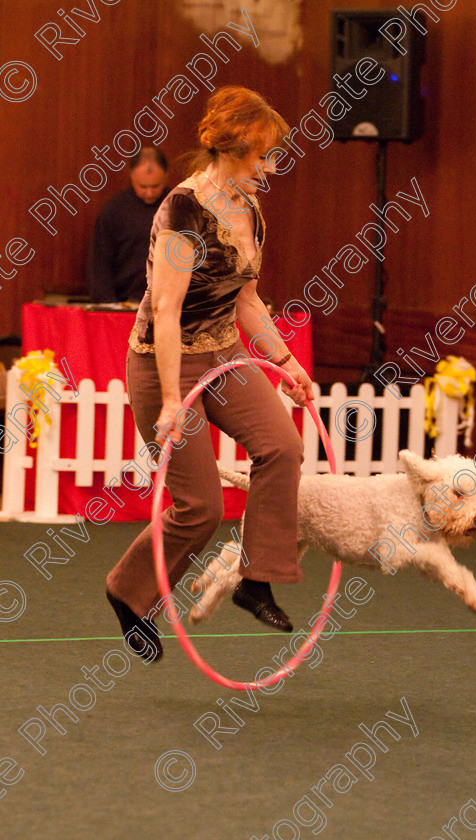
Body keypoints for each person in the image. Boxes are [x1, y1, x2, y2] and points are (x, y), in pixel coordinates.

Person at [105, 87, 314, 661]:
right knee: (201, 509)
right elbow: (166, 310)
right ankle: (129, 592)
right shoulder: (183, 210)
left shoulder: (249, 210)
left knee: (283, 447)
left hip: (223, 356)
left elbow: (246, 300)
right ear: (232, 147)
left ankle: (257, 578)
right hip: (162, 362)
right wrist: (173, 400)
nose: (272, 168)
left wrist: (286, 362)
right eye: (263, 156)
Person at [87, 147, 169, 303]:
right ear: (132, 177)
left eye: (156, 186)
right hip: (124, 302)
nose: (150, 193)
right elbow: (99, 265)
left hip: (169, 304)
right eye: (143, 187)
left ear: (166, 176)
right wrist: (109, 305)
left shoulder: (178, 207)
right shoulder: (114, 210)